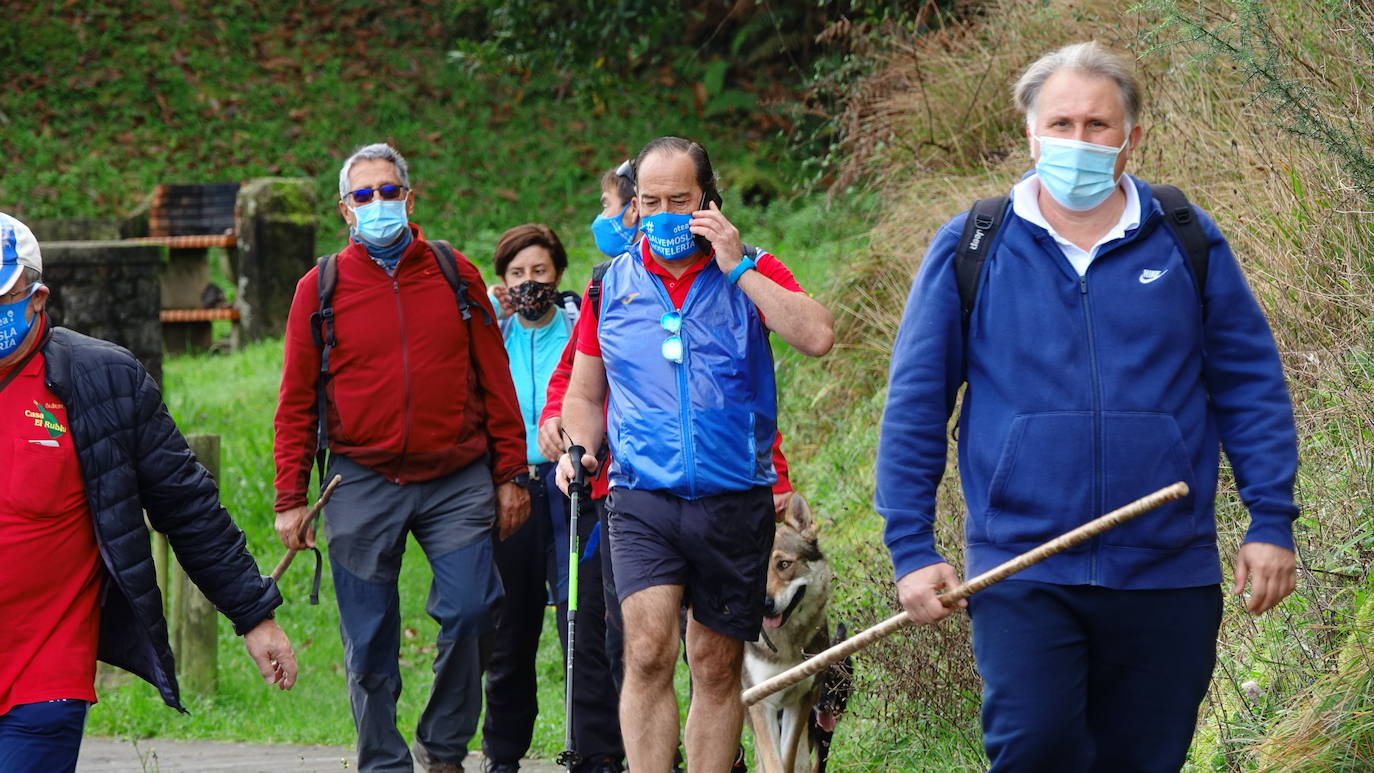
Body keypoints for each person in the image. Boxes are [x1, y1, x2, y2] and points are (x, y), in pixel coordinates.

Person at [875, 42, 1299, 772]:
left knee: (1146, 759)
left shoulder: (1186, 238)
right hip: (1023, 568)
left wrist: (1271, 518)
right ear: (1030, 135)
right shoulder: (973, 247)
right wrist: (911, 547)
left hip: (1169, 569)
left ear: (1132, 138)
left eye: (1098, 125)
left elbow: (1249, 382)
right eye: (1061, 123)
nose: (1079, 141)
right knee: (1035, 750)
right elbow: (916, 405)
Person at [557, 137, 834, 772]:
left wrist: (739, 268)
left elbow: (817, 335)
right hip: (640, 497)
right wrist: (579, 447)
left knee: (715, 663)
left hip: (734, 498)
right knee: (649, 648)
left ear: (707, 200)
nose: (662, 214)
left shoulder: (753, 268)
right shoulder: (610, 285)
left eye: (678, 200)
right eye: (649, 201)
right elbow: (584, 392)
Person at [0, 212, 298, 773]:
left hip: (40, 675)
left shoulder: (102, 381)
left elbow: (187, 506)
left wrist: (255, 616)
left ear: (36, 298)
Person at [273, 143, 530, 773]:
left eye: (388, 191)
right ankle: (383, 762)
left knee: (474, 609)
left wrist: (511, 473)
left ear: (409, 199)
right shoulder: (320, 287)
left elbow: (495, 377)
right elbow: (296, 397)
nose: (378, 203)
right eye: (364, 195)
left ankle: (444, 750)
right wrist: (290, 497)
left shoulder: (453, 272)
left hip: (457, 477)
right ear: (345, 210)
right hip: (359, 480)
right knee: (368, 643)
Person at [480, 223, 624, 773]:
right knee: (511, 626)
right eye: (517, 274)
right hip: (512, 488)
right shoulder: (493, 337)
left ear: (558, 274)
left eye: (539, 271)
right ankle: (502, 752)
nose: (529, 283)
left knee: (581, 619)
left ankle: (598, 749)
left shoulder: (576, 328)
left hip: (574, 489)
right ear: (503, 281)